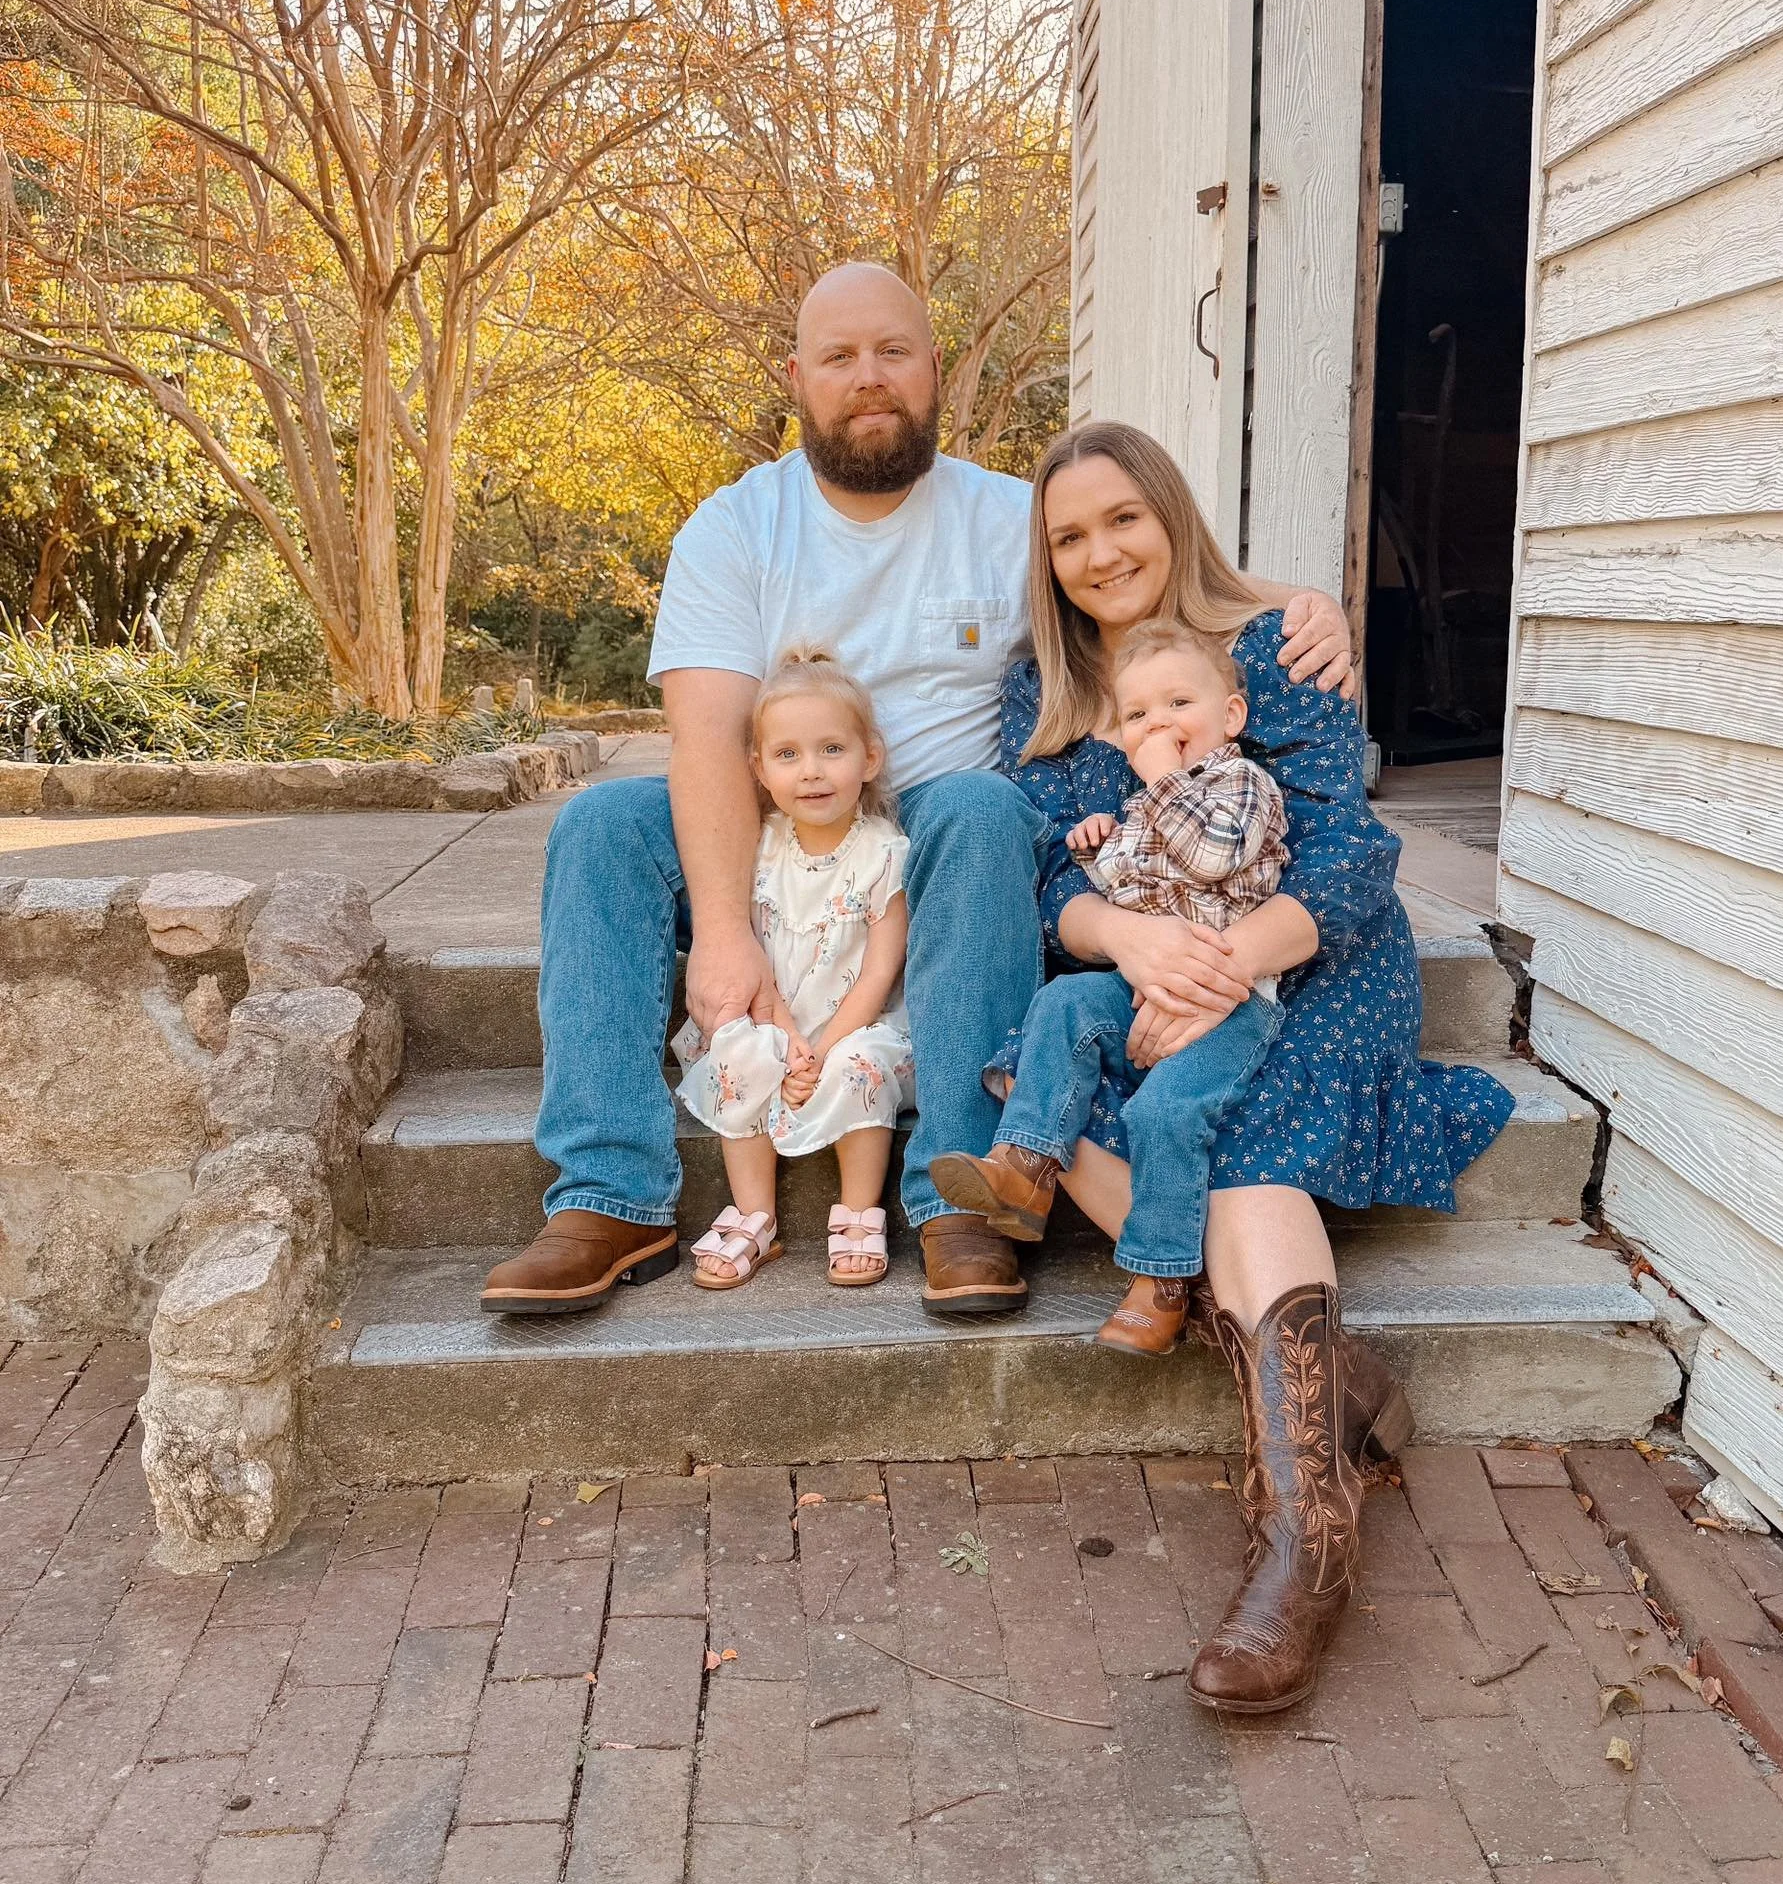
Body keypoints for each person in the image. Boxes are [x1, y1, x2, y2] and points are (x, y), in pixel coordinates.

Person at [479, 261, 1354, 1317]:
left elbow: (1133, 566)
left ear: (935, 369)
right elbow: (706, 738)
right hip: (770, 824)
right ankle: (610, 1192)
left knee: (989, 809)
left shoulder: (1007, 517)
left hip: (935, 832)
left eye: (894, 351)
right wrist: (721, 928)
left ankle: (958, 1198)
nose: (869, 377)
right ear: (795, 378)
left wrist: (1301, 602)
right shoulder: (733, 528)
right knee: (601, 824)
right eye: (840, 358)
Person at [1000, 419, 1516, 1715]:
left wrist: (1220, 963)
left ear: (1171, 515)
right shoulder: (1043, 689)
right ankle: (1328, 1382)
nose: (1099, 550)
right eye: (1069, 534)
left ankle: (1305, 1540)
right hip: (1142, 959)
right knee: (1030, 1084)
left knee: (1243, 1153)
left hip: (1312, 958)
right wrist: (1131, 941)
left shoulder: (1278, 642)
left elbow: (1346, 854)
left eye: (1122, 516)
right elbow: (1057, 872)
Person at [927, 619, 1291, 1358]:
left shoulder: (1243, 784)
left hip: (1231, 1005)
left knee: (1165, 1111)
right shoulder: (1143, 804)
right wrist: (1101, 841)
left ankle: (1159, 1282)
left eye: (1178, 704)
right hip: (1141, 983)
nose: (1158, 724)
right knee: (1061, 1003)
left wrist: (1159, 781)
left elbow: (1215, 856)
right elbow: (1125, 887)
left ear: (1231, 717)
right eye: (1137, 716)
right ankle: (1025, 1167)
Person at [674, 645, 910, 1288]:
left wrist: (819, 1050)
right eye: (788, 755)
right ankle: (756, 1215)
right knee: (740, 1056)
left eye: (832, 749)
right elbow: (755, 955)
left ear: (870, 757)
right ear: (758, 768)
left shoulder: (883, 852)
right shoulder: (760, 846)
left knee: (858, 1064)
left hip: (855, 1020)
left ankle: (860, 1210)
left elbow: (879, 975)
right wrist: (785, 1039)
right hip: (776, 1012)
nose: (811, 772)